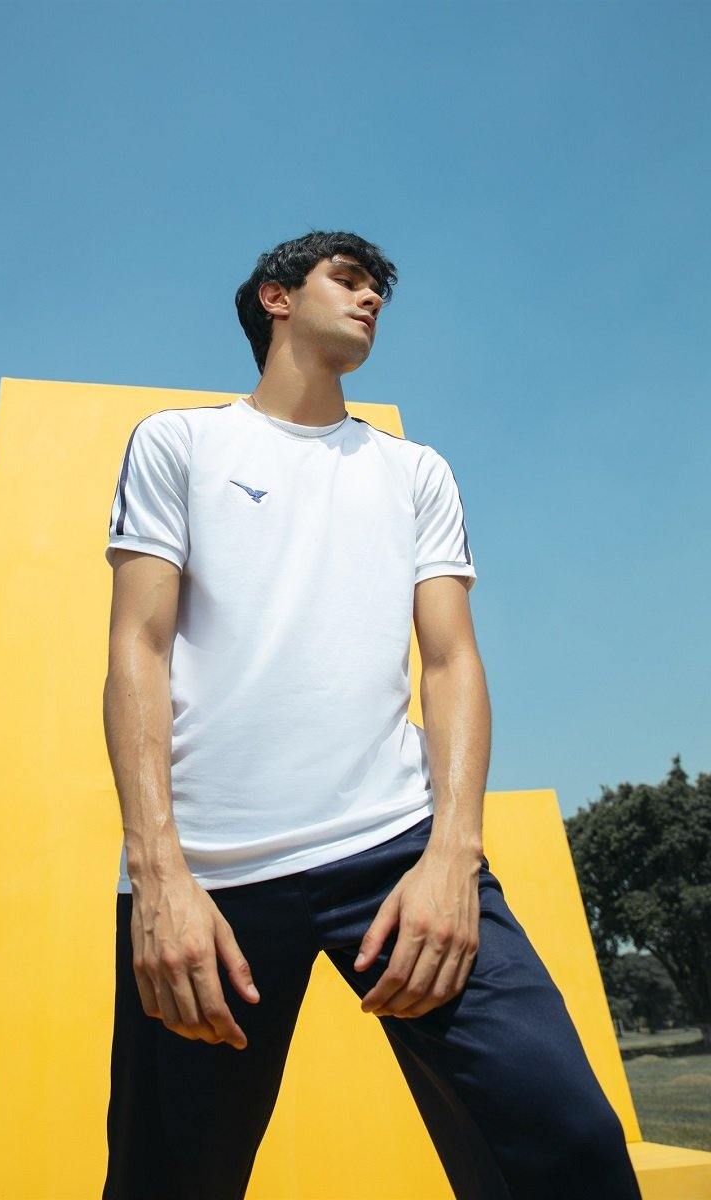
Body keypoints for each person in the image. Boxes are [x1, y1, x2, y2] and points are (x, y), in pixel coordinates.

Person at [100, 230, 642, 1199]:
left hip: (397, 852)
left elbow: (451, 660)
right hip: (211, 877)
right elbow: (137, 648)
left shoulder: (415, 471)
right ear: (276, 298)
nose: (370, 300)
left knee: (570, 1148)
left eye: (377, 290)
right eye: (346, 280)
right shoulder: (180, 443)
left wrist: (454, 855)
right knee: (167, 1181)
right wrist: (159, 874)